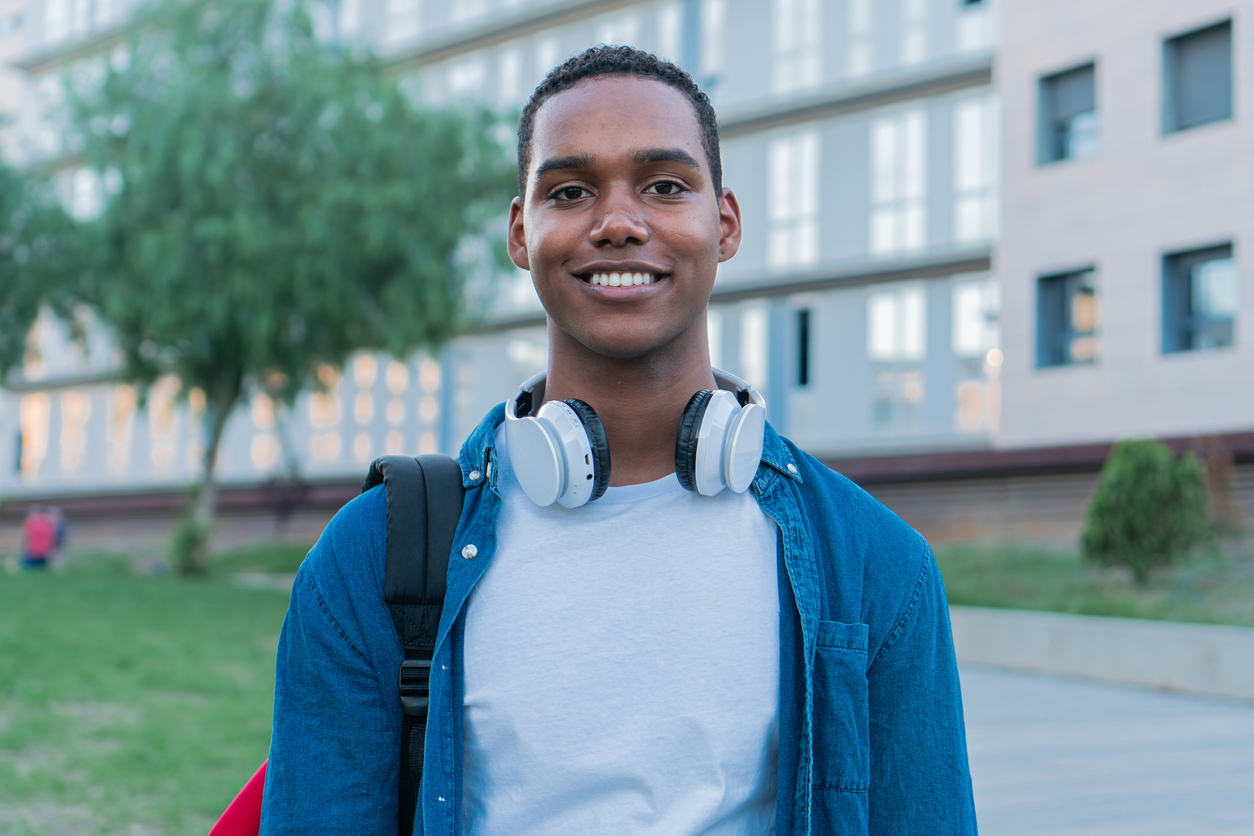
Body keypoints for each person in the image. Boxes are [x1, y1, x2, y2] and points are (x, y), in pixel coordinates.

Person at [261, 46, 977, 835]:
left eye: (665, 186)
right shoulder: (372, 559)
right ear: (520, 233)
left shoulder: (878, 568)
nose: (618, 222)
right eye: (569, 191)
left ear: (725, 222)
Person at [20, 505, 57, 571]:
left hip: (41, 550)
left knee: (39, 570)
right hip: (35, 549)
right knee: (37, 570)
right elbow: (26, 537)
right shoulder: (30, 522)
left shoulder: (47, 522)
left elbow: (51, 537)